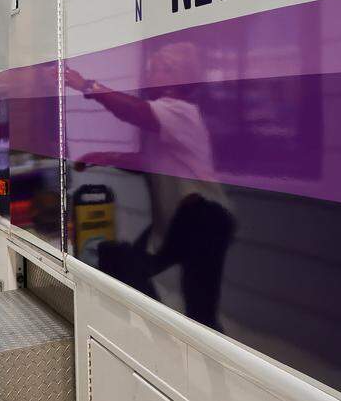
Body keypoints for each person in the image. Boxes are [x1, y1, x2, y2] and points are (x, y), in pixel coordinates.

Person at [66, 42, 236, 331]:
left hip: (203, 219)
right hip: (179, 222)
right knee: (123, 262)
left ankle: (196, 356)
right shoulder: (166, 116)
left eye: (156, 69)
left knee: (201, 311)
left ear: (177, 76)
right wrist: (104, 157)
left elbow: (134, 112)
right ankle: (162, 331)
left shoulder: (180, 112)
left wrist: (86, 85)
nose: (148, 75)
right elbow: (149, 161)